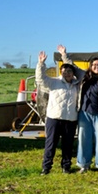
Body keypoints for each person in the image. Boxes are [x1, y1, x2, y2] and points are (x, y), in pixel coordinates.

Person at [62, 47, 98, 173]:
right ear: (90, 66)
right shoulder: (84, 75)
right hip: (84, 113)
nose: (96, 67)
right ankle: (84, 164)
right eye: (94, 64)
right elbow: (72, 66)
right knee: (83, 139)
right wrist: (64, 54)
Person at [35, 47, 81, 175]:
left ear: (73, 73)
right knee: (51, 144)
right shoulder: (53, 82)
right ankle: (46, 167)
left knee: (68, 145)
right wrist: (41, 64)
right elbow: (40, 79)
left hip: (70, 119)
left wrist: (64, 55)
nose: (67, 73)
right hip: (54, 118)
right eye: (64, 71)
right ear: (61, 72)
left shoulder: (77, 84)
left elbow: (76, 69)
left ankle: (66, 166)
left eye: (69, 71)